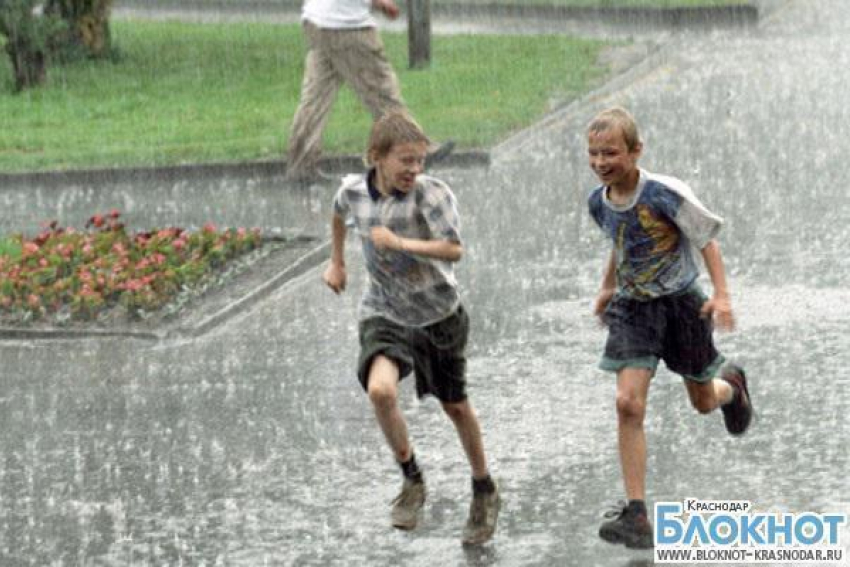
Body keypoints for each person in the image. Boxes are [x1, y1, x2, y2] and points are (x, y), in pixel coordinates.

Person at [321, 110, 499, 545]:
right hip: (385, 311)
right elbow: (338, 215)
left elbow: (454, 250)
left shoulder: (431, 195)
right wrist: (337, 262)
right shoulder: (353, 193)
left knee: (455, 406)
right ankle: (412, 478)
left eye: (420, 160)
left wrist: (400, 243)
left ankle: (484, 488)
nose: (414, 170)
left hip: (438, 314)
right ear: (376, 157)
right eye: (405, 160)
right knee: (380, 390)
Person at [585, 107, 753, 550]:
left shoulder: (664, 194)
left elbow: (705, 239)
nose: (602, 162)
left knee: (701, 401)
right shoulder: (598, 201)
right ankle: (637, 513)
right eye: (594, 154)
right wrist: (607, 287)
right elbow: (619, 243)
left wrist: (721, 294)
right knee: (627, 403)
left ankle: (731, 387)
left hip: (682, 308)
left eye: (611, 153)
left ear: (636, 151)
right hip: (633, 310)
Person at [285, 0, 453, 183]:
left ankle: (300, 166)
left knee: (315, 100)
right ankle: (417, 150)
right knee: (383, 95)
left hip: (318, 20)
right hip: (347, 26)